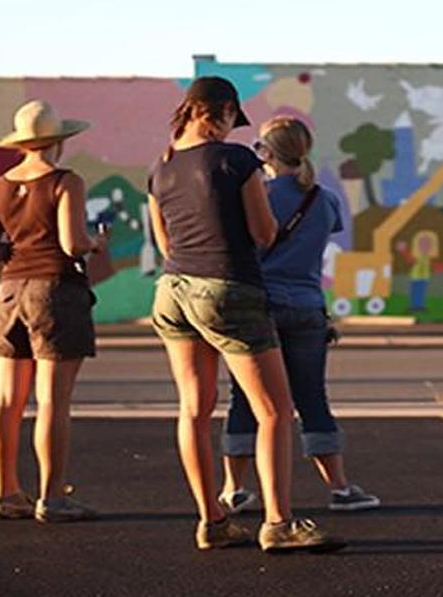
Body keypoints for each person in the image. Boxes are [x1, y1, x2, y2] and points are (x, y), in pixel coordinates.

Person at [146, 77, 344, 553]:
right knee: (274, 410)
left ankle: (212, 520)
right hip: (228, 288)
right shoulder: (237, 160)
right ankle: (278, 523)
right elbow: (263, 232)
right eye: (234, 118)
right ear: (221, 111)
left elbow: (165, 244)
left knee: (194, 409)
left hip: (173, 290)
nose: (235, 127)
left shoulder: (161, 167)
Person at [218, 116, 380, 515]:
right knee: (312, 398)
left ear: (267, 153)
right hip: (308, 306)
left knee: (246, 399)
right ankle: (340, 489)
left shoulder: (259, 195)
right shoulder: (324, 199)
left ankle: (233, 489)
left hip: (261, 306)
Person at [0, 100, 102, 523]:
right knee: (52, 402)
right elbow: (72, 244)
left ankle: (6, 493)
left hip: (9, 291)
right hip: (55, 291)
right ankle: (52, 497)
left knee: (7, 400)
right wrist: (97, 243)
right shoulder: (66, 181)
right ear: (59, 142)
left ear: (22, 144)